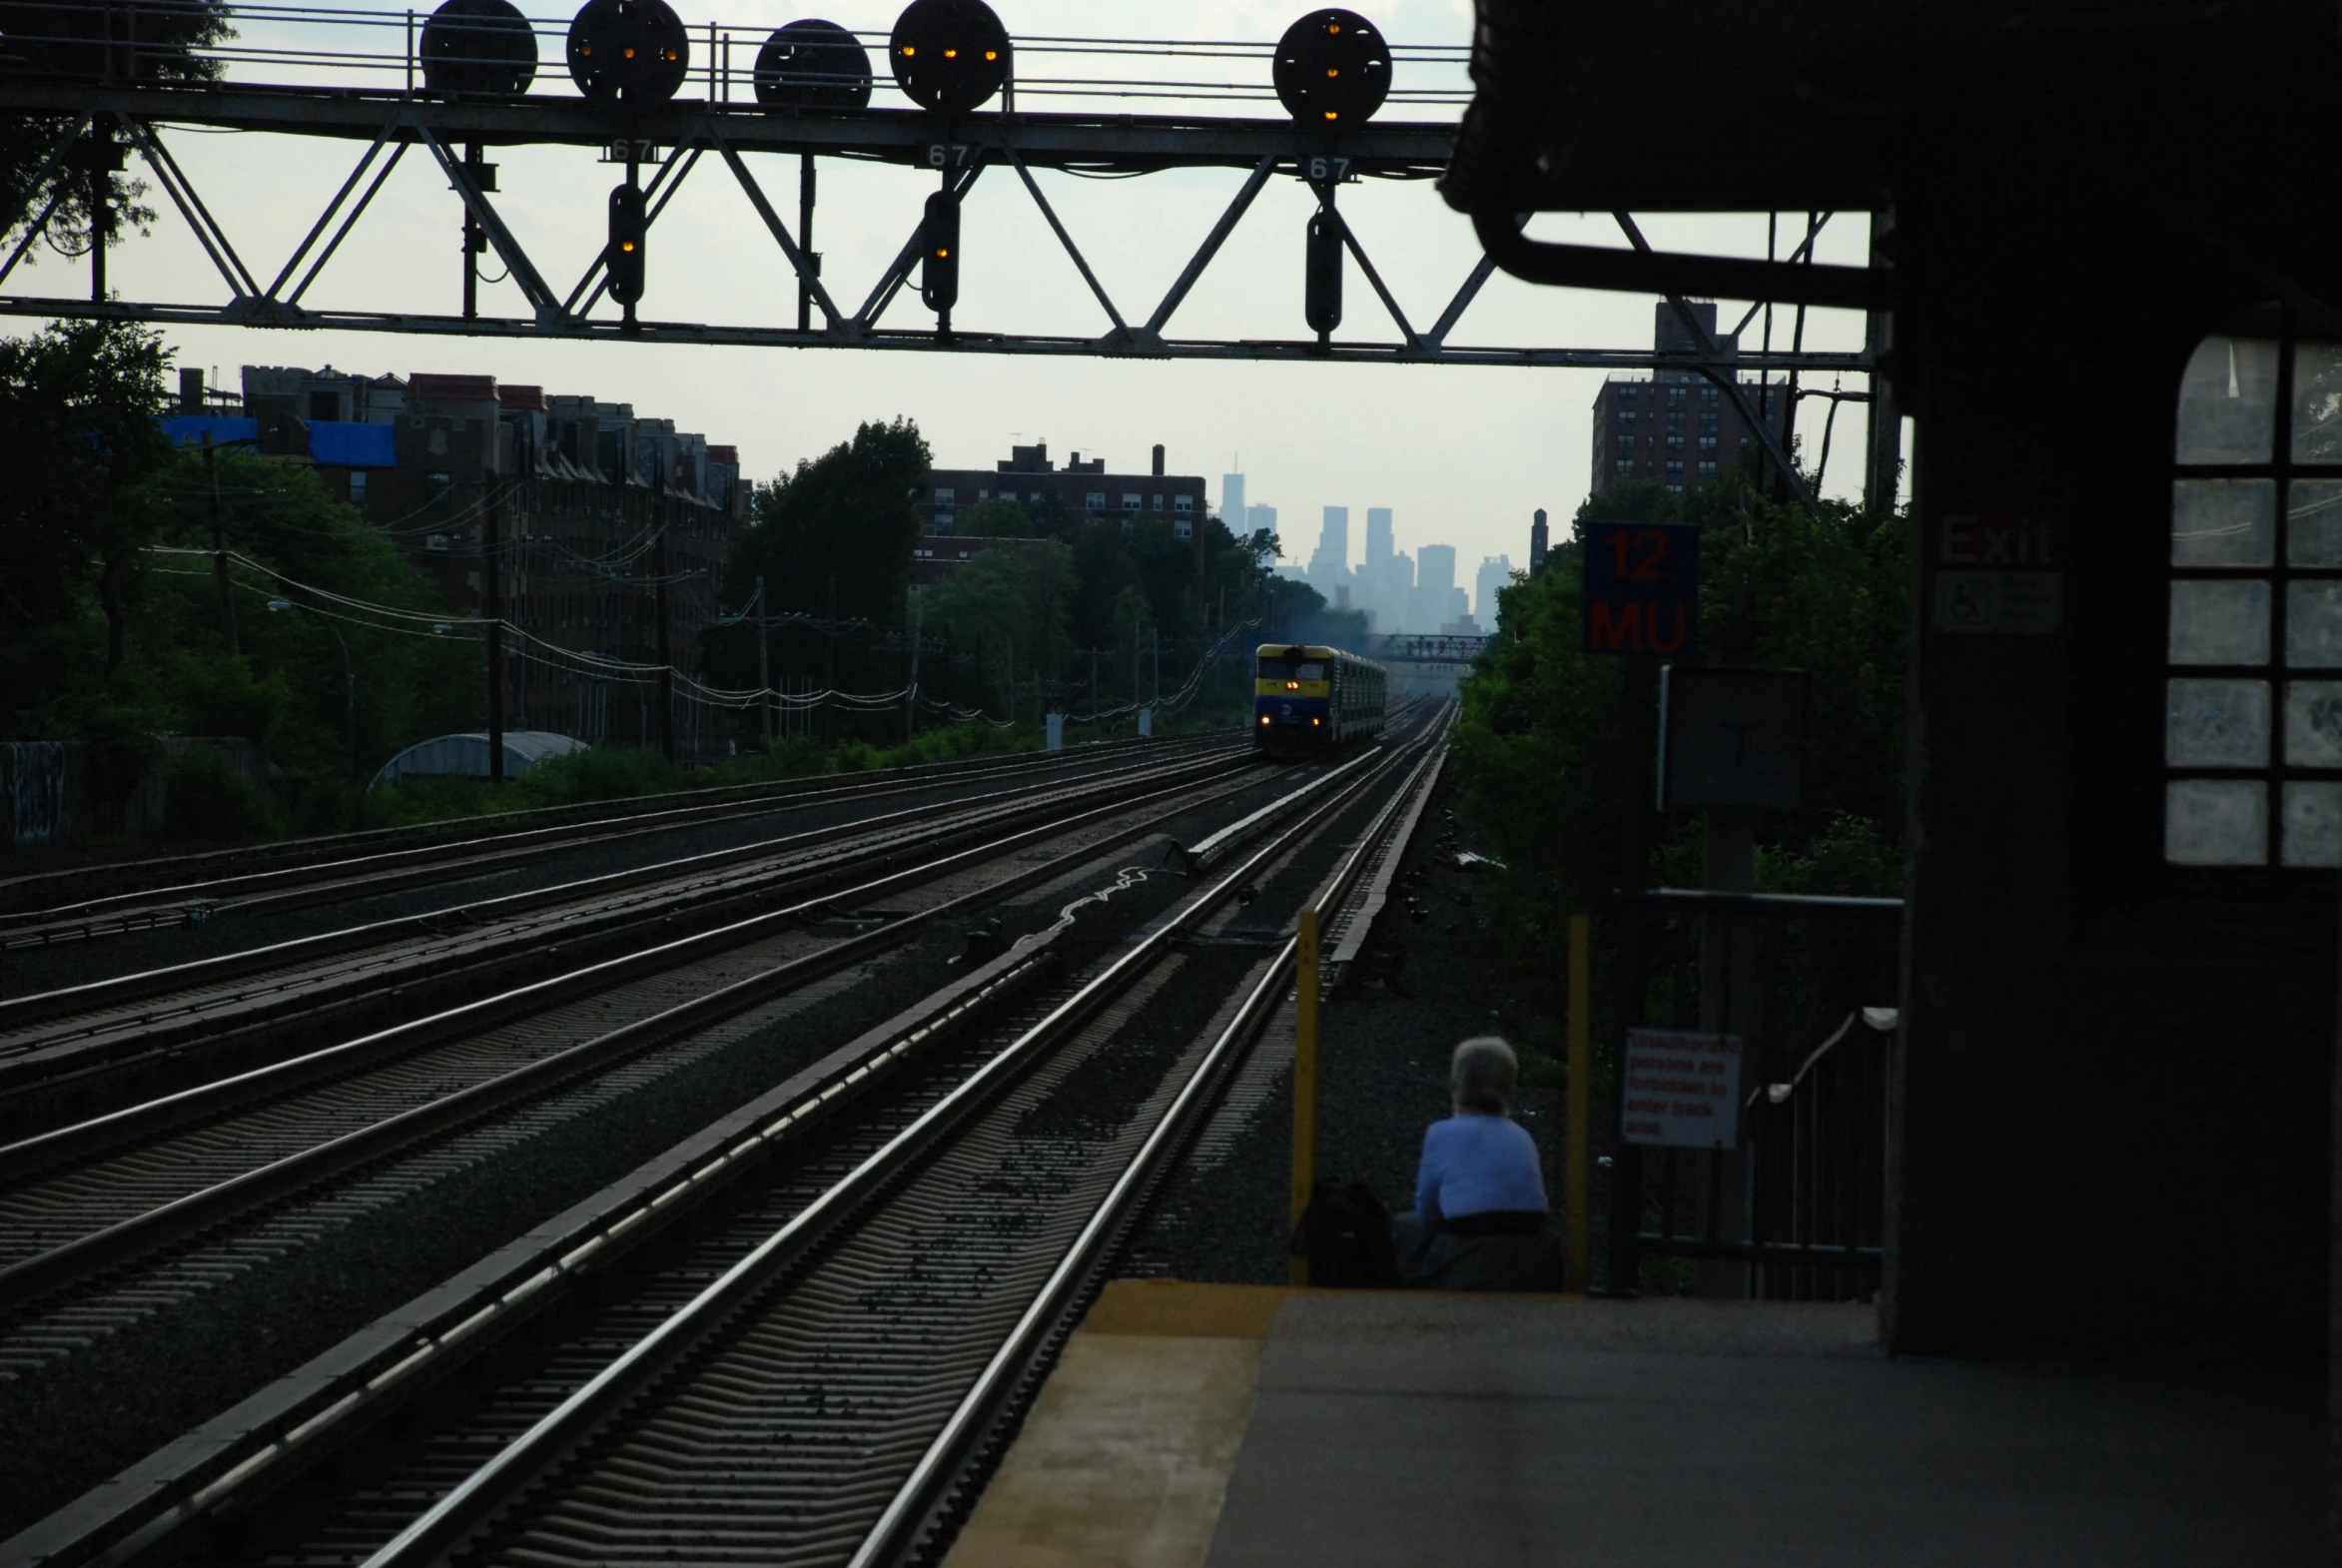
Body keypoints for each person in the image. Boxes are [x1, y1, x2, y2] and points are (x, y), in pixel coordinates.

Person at [1392, 1036, 1565, 1291]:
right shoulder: (1521, 1134)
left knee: (1404, 1227)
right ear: (1512, 1092)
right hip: (1533, 1239)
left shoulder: (1440, 1133)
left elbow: (1427, 1209)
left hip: (1472, 1238)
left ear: (1454, 1087)